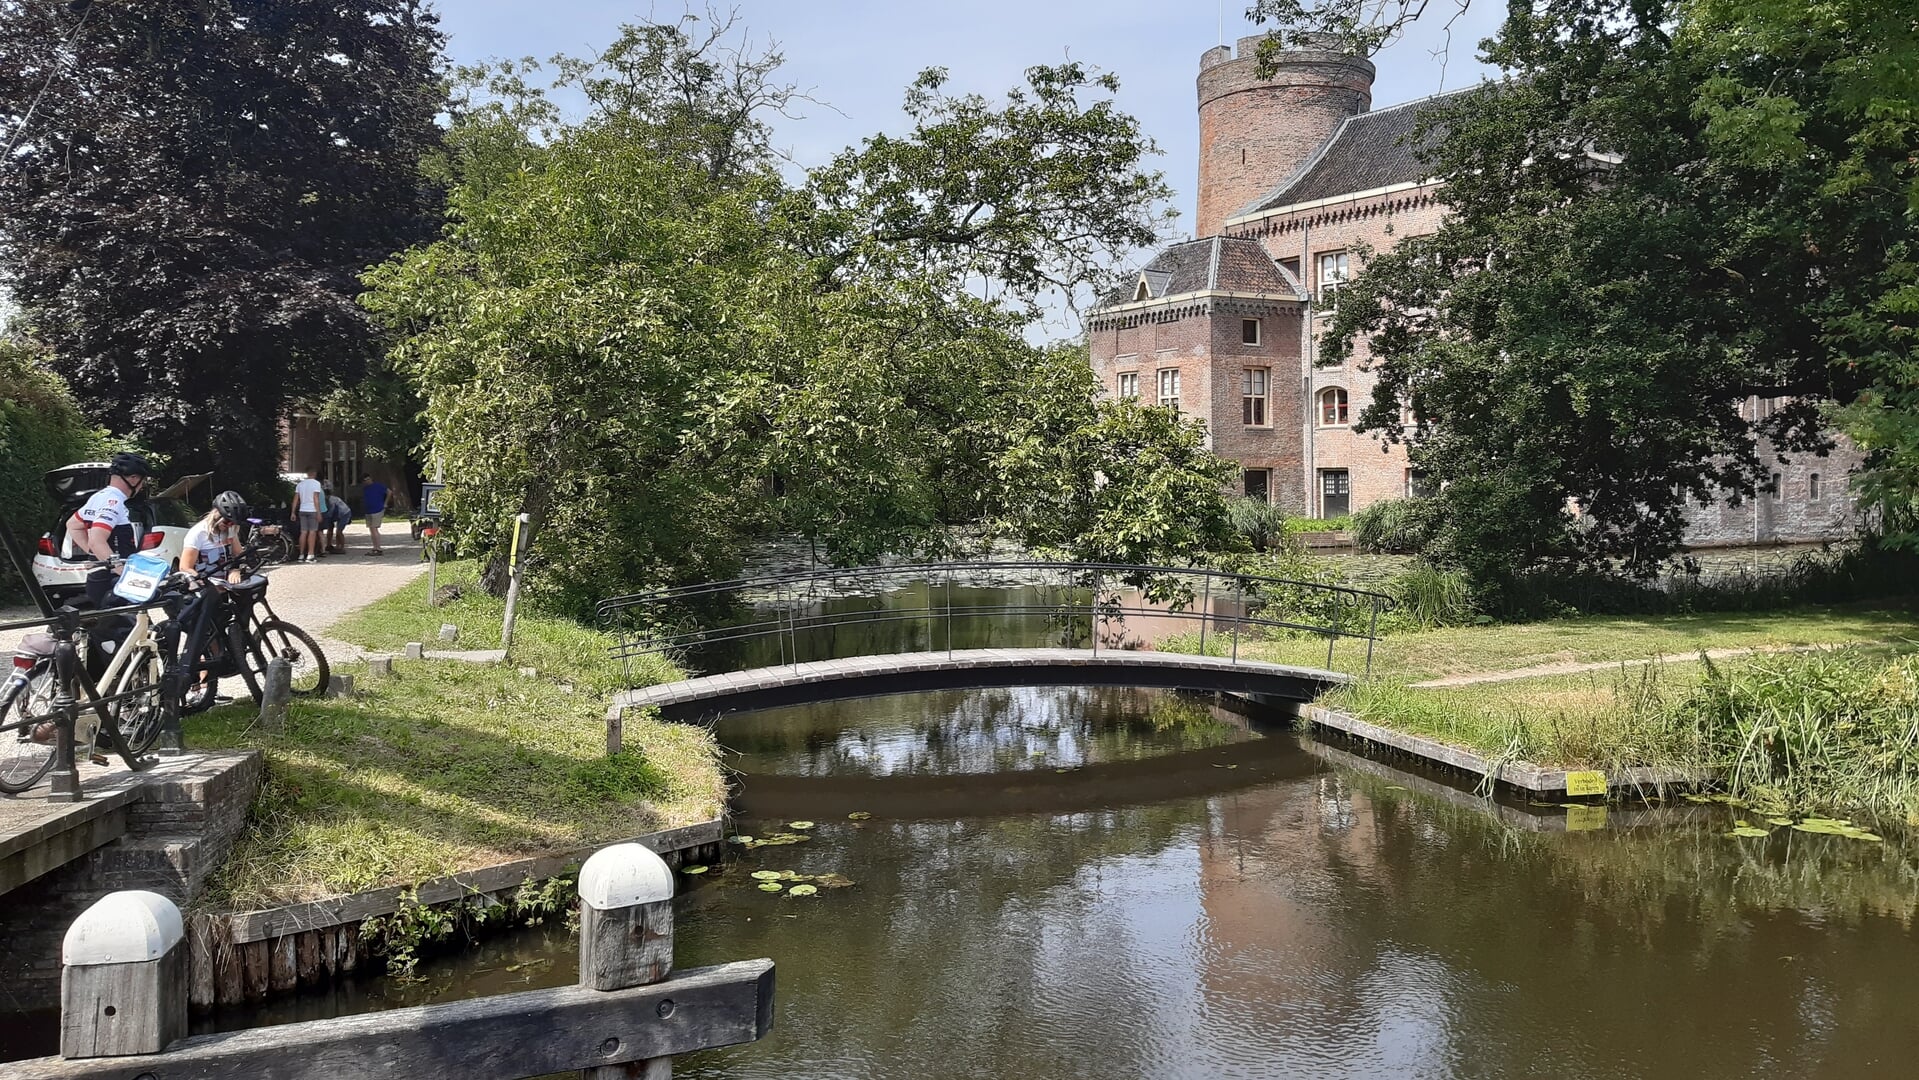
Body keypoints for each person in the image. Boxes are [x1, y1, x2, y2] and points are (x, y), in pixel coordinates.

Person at [65, 452, 150, 608]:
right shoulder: (114, 501)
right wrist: (121, 570)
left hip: (99, 579)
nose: (142, 486)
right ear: (133, 478)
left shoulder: (99, 496)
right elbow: (97, 540)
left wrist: (93, 553)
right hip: (111, 582)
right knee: (135, 629)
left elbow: (73, 525)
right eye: (142, 481)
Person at [181, 490, 247, 583]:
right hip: (208, 585)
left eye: (233, 523)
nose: (229, 526)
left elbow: (239, 554)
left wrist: (236, 570)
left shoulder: (231, 528)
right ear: (216, 514)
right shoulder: (198, 533)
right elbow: (185, 567)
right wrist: (203, 583)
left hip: (227, 584)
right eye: (226, 522)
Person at [293, 470, 325, 563]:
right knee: (312, 532)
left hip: (302, 510)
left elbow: (295, 499)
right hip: (312, 510)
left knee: (303, 532)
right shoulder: (316, 484)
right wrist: (318, 512)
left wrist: (293, 512)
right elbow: (315, 498)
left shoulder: (300, 484)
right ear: (314, 474)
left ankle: (301, 554)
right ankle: (310, 554)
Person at [360, 473, 389, 556]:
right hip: (368, 510)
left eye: (368, 479)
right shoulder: (365, 488)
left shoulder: (378, 486)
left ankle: (378, 548)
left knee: (374, 528)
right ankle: (375, 547)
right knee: (371, 529)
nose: (367, 481)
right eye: (365, 480)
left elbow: (389, 492)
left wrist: (385, 503)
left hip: (377, 509)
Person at [324, 484, 352, 553]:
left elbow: (331, 511)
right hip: (336, 514)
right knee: (330, 529)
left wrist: (325, 517)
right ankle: (329, 545)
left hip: (344, 514)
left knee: (339, 531)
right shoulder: (327, 499)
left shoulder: (332, 500)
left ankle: (341, 547)